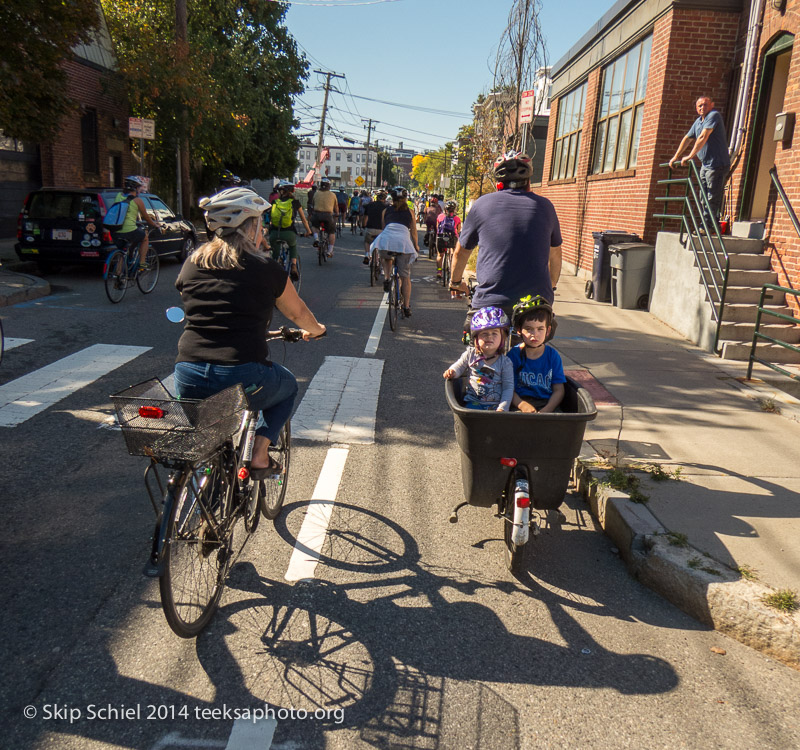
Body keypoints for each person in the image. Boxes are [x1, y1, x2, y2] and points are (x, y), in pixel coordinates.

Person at [173, 187, 326, 479]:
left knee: (210, 436)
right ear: (249, 226)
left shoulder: (192, 264)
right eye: (259, 223)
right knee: (288, 385)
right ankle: (258, 455)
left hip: (187, 372)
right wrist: (316, 330)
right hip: (241, 374)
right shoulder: (264, 268)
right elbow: (297, 314)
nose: (263, 228)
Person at [449, 151, 562, 317]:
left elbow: (461, 252)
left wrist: (456, 282)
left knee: (481, 339)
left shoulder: (482, 205)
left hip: (491, 301)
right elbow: (556, 253)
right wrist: (551, 285)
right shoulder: (545, 206)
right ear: (529, 182)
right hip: (536, 302)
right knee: (535, 340)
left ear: (498, 183)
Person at [669, 95, 730, 228]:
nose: (702, 107)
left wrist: (690, 156)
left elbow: (703, 136)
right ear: (697, 109)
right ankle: (711, 225)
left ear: (712, 105)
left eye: (705, 104)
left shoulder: (714, 116)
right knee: (703, 197)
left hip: (717, 164)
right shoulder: (698, 122)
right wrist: (676, 156)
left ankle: (708, 226)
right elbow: (687, 138)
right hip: (705, 165)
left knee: (712, 197)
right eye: (699, 106)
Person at [443, 306, 514, 411]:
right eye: (484, 333)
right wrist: (452, 371)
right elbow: (460, 365)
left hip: (495, 405)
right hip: (473, 402)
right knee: (471, 418)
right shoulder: (471, 354)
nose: (489, 337)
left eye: (494, 333)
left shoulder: (505, 362)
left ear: (502, 338)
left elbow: (508, 387)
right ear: (476, 338)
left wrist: (503, 408)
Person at [507, 295, 565, 414]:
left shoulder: (552, 356)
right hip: (520, 403)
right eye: (529, 329)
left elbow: (559, 389)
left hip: (547, 403)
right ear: (519, 330)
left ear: (548, 330)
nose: (535, 334)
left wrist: (547, 409)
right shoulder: (514, 355)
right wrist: (522, 405)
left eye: (540, 329)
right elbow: (508, 387)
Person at [371, 185, 419, 317]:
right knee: (405, 276)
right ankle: (406, 306)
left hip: (387, 239)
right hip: (403, 242)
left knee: (386, 256)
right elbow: (413, 231)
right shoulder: (410, 212)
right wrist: (416, 245)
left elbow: (383, 227)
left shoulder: (385, 211)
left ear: (391, 198)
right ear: (405, 198)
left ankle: (387, 277)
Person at [113, 175, 163, 270]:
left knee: (122, 252)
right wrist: (155, 224)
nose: (140, 190)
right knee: (144, 237)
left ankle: (118, 278)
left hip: (116, 231)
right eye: (139, 187)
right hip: (129, 230)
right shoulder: (138, 200)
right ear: (135, 188)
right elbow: (147, 217)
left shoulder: (118, 196)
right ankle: (142, 262)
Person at [268, 180, 312, 281]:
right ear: (291, 191)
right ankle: (293, 266)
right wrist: (309, 231)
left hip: (274, 233)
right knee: (293, 246)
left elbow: (271, 220)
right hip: (289, 232)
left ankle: (276, 262)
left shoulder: (275, 202)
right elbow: (304, 220)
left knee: (275, 249)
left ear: (281, 192)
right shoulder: (295, 202)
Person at [310, 177, 338, 257]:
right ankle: (330, 251)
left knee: (314, 226)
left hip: (317, 214)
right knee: (331, 232)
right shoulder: (333, 195)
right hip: (328, 216)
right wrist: (336, 213)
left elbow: (313, 204)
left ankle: (316, 238)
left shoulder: (316, 193)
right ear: (329, 186)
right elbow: (336, 208)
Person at [435, 200, 462, 278]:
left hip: (441, 237)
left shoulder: (440, 216)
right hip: (452, 238)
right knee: (453, 254)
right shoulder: (457, 218)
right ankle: (452, 270)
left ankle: (439, 271)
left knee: (440, 255)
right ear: (454, 210)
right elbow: (458, 230)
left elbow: (437, 228)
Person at [362, 190, 388, 265]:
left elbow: (365, 218)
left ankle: (367, 254)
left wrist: (363, 225)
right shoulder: (387, 207)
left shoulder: (369, 205)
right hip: (382, 230)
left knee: (367, 241)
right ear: (385, 199)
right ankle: (381, 262)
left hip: (370, 229)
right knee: (383, 246)